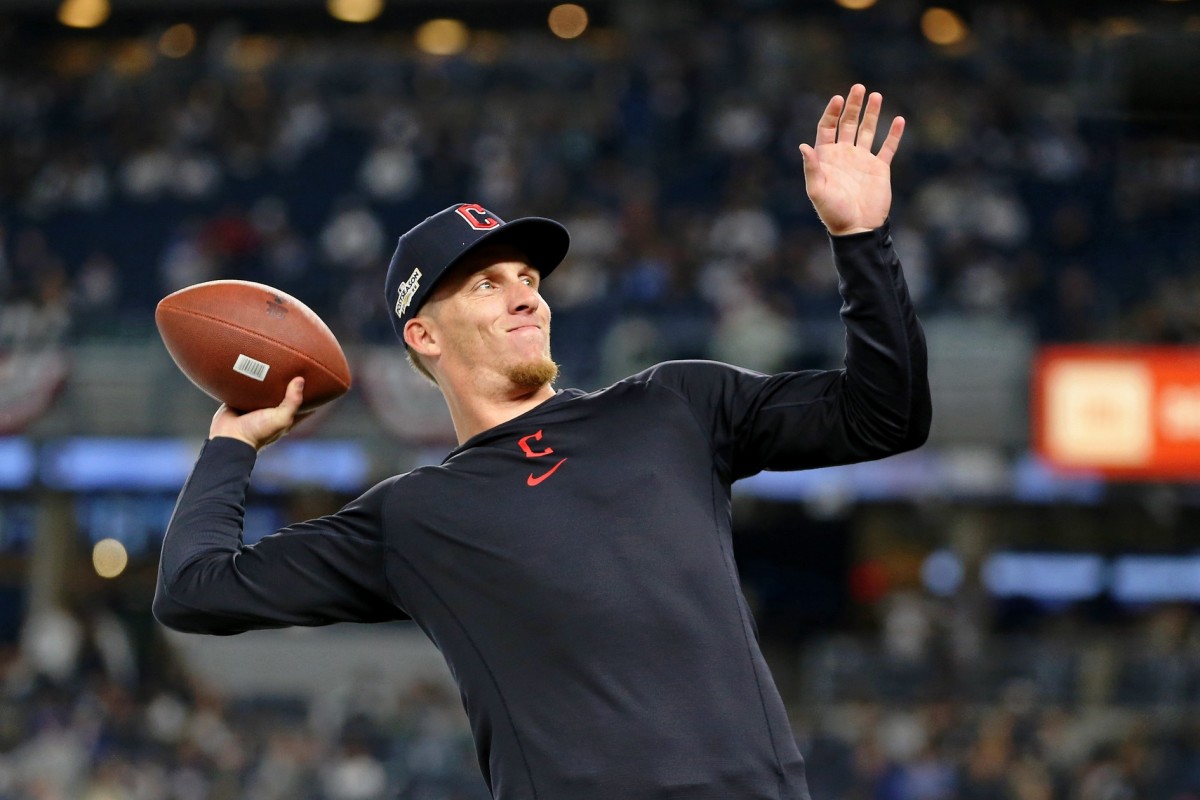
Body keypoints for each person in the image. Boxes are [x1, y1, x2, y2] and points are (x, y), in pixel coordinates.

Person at [154, 84, 931, 800]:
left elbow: (886, 415)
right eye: (488, 283)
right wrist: (233, 441)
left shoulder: (673, 406)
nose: (526, 294)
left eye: (528, 276)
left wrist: (860, 239)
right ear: (422, 332)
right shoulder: (416, 517)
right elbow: (193, 590)